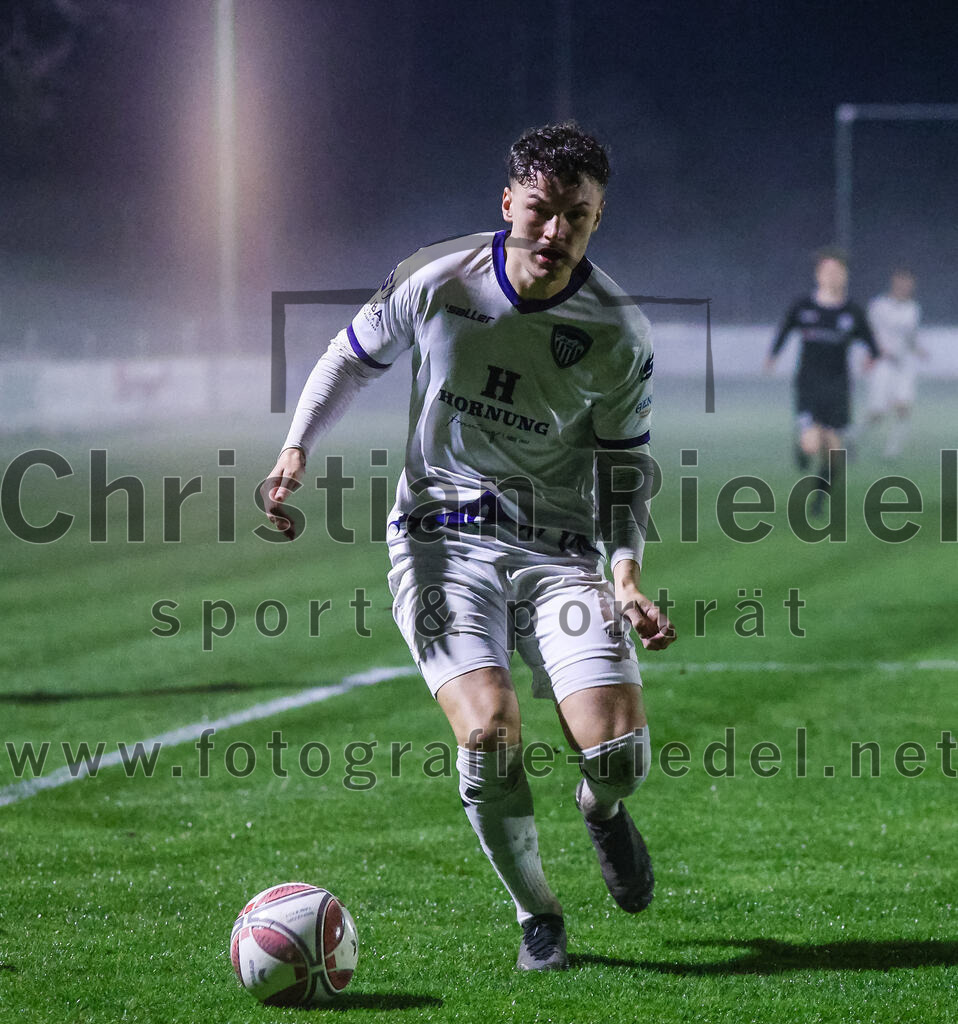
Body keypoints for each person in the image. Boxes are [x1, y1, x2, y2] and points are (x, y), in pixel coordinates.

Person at [262, 123, 676, 972]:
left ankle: (600, 810)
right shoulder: (436, 277)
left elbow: (625, 462)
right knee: (488, 731)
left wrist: (626, 571)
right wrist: (296, 446)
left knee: (621, 756)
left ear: (598, 220)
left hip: (559, 553)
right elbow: (351, 357)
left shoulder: (618, 332)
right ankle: (539, 917)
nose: (556, 233)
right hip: (440, 540)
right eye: (542, 210)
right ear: (508, 204)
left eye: (578, 217)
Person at [764, 248, 879, 512]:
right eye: (828, 271)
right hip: (809, 384)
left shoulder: (853, 311)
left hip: (838, 386)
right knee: (812, 442)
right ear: (818, 275)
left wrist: (872, 357)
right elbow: (784, 329)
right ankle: (802, 445)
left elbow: (871, 343)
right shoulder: (803, 306)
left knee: (835, 453)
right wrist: (773, 355)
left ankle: (819, 497)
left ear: (845, 276)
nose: (833, 276)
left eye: (838, 272)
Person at [862, 269, 925, 458]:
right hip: (883, 364)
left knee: (903, 407)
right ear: (894, 282)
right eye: (902, 282)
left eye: (909, 283)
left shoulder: (913, 309)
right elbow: (867, 332)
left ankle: (892, 451)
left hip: (904, 365)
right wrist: (870, 354)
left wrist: (918, 349)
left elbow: (911, 337)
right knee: (877, 413)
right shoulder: (879, 306)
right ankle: (851, 440)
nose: (905, 287)